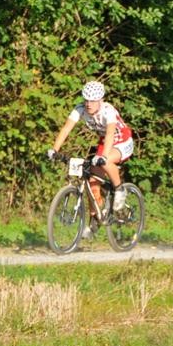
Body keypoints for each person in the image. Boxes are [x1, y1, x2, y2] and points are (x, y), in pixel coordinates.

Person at [48, 81, 135, 239]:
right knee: (92, 183)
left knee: (107, 161)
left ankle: (120, 190)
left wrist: (103, 156)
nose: (88, 104)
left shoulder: (108, 111)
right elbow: (66, 129)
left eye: (93, 100)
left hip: (122, 141)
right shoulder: (80, 109)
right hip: (105, 144)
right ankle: (95, 219)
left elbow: (109, 134)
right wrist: (55, 150)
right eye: (86, 100)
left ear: (101, 100)